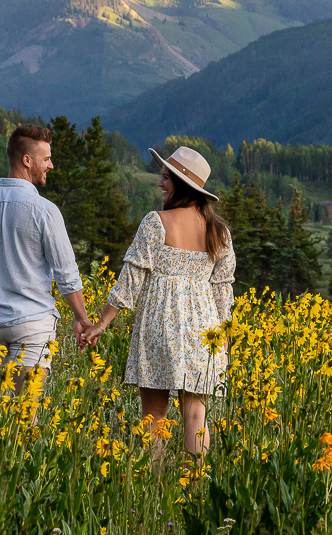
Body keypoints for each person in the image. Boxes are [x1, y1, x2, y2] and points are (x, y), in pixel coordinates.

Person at [83, 145, 235, 457]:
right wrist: (222, 342)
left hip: (160, 325)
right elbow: (223, 294)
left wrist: (102, 323)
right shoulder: (220, 231)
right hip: (205, 332)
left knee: (153, 416)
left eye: (165, 178)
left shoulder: (156, 222)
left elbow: (131, 278)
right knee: (196, 415)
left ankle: (153, 487)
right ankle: (195, 484)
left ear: (181, 184)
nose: (159, 183)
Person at [0, 124, 92, 404]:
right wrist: (81, 318)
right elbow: (66, 274)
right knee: (25, 415)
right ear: (26, 160)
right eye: (46, 159)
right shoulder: (44, 211)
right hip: (33, 324)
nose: (51, 165)